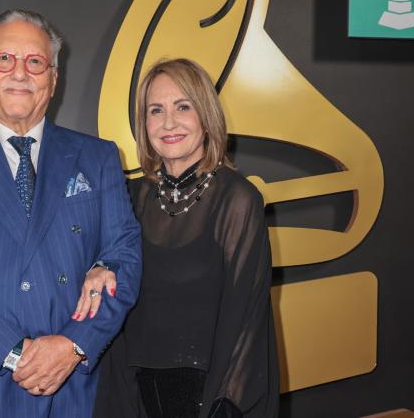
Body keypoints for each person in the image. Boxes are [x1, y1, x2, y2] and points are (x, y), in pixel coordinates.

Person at [0, 9, 141, 418]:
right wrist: (16, 352)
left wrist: (72, 345)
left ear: (53, 80)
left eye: (35, 62)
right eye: (4, 59)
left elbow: (125, 257)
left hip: (75, 389)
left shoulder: (98, 157)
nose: (20, 73)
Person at [83, 58, 279, 417]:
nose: (168, 122)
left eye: (182, 106)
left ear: (206, 115)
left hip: (208, 399)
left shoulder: (236, 199)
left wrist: (222, 406)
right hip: (135, 396)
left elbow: (246, 320)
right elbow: (102, 265)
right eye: (155, 110)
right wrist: (100, 266)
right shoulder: (130, 196)